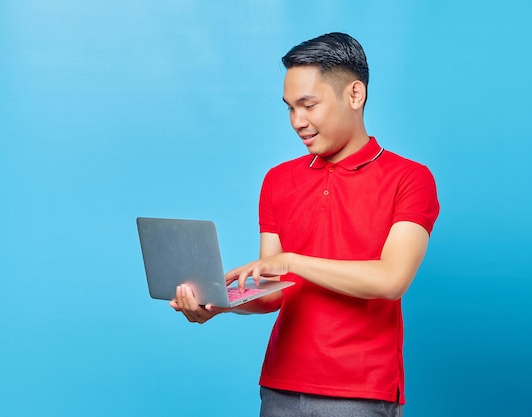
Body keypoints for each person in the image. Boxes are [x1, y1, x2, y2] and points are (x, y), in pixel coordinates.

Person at [171, 32, 440, 417]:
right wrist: (220, 303)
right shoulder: (278, 180)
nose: (298, 122)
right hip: (279, 387)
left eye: (309, 105)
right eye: (289, 108)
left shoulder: (410, 178)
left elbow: (391, 279)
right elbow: (273, 292)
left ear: (354, 95)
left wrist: (293, 262)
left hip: (359, 392)